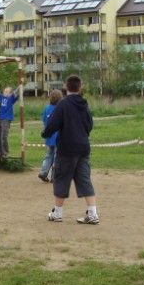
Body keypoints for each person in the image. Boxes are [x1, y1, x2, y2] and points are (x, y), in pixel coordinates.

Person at [42, 75, 99, 224]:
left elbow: (52, 124)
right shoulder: (85, 104)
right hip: (83, 148)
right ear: (80, 88)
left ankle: (57, 213)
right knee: (84, 179)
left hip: (66, 148)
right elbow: (90, 125)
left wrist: (45, 133)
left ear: (66, 87)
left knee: (61, 178)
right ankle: (93, 214)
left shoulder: (63, 104)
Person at [0, 77, 22, 158]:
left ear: (10, 93)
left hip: (6, 119)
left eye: (7, 91)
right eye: (4, 91)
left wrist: (21, 84)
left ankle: (5, 153)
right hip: (0, 118)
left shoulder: (11, 98)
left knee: (3, 136)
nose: (5, 92)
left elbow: (17, 91)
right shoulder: (0, 97)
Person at [39, 89, 63, 182]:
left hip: (49, 136)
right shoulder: (60, 109)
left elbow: (44, 120)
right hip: (58, 137)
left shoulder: (47, 108)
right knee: (57, 157)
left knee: (48, 155)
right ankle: (54, 176)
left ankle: (43, 172)